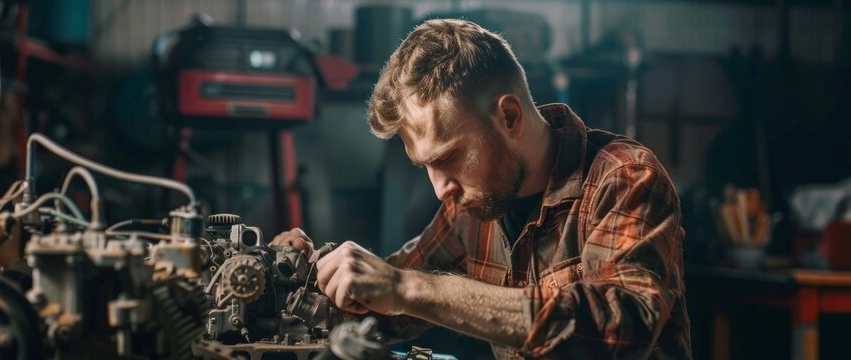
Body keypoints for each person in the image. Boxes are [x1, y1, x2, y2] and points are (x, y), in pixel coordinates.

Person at [272, 19, 691, 359]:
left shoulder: (624, 177)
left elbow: (620, 329)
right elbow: (384, 302)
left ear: (508, 117)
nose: (440, 190)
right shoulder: (470, 205)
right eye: (425, 167)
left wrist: (409, 289)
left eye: (448, 157)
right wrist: (306, 278)